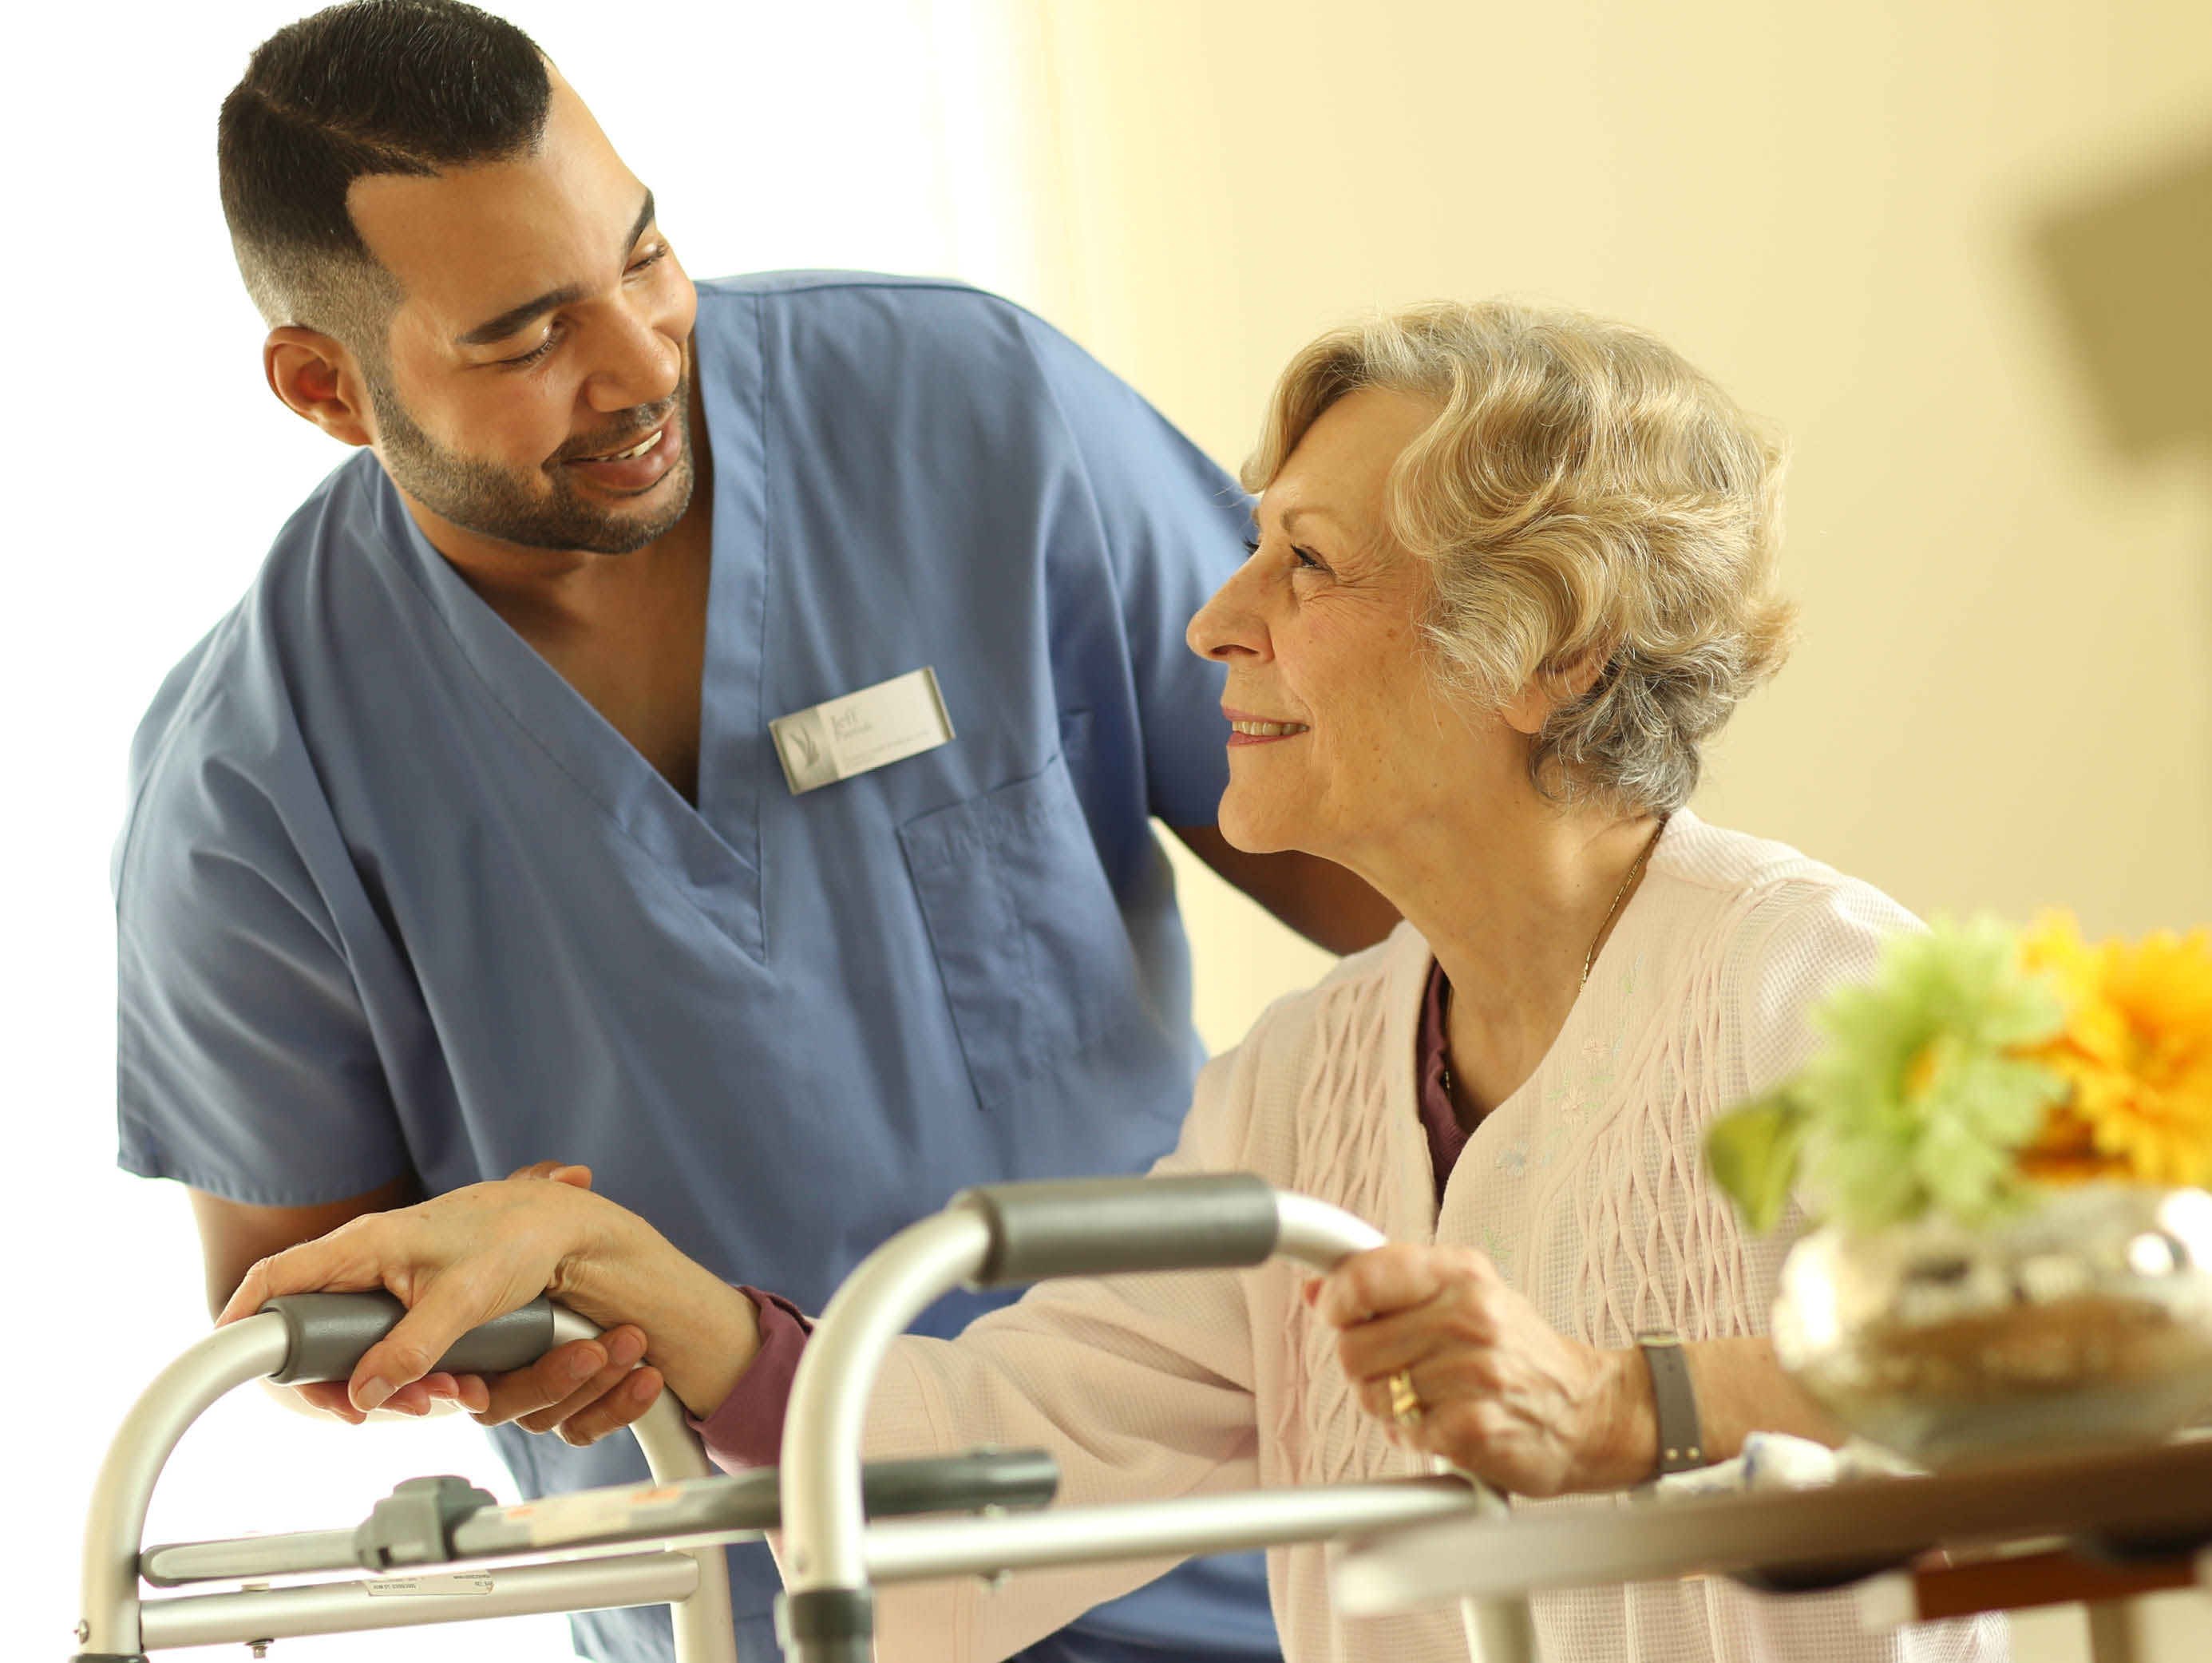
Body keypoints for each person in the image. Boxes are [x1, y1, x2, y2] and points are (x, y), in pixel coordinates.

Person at [228, 298, 2006, 1662]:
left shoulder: (1820, 992)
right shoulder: (1302, 1087)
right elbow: (994, 1471)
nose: (1215, 618)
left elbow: (2092, 1366)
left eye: (1307, 563)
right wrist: (628, 1278)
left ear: (1546, 653)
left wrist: (1634, 1410)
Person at [114, 5, 1395, 1663]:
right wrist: (501, 1331)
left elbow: (1412, 882)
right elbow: (301, 1312)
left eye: (645, 255)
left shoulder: (978, 423)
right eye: (523, 337)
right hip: (752, 1590)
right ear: (325, 387)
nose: (644, 360)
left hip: (1223, 1525)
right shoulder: (250, 779)